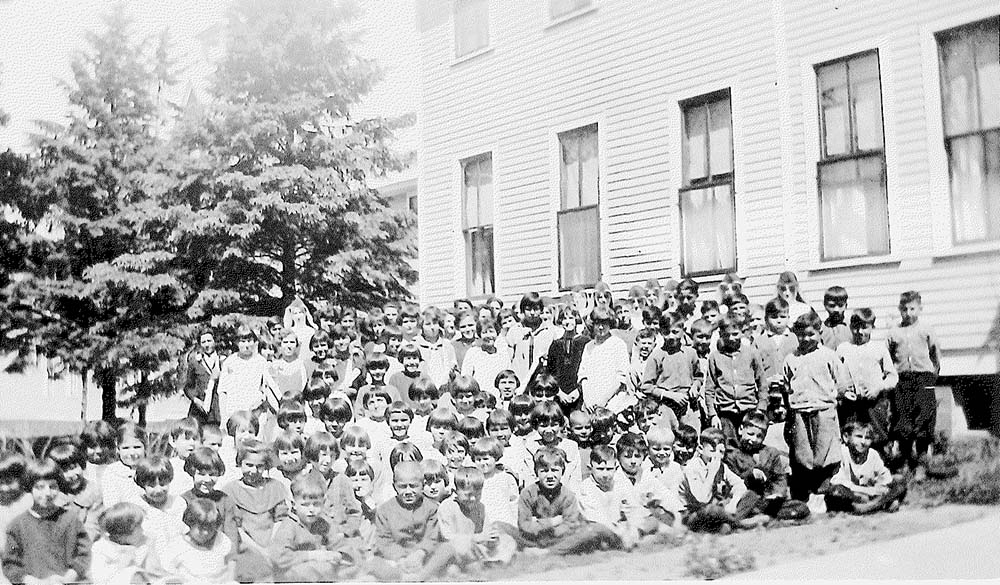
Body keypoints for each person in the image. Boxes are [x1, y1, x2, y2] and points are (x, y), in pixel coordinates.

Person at [782, 311, 851, 502]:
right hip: (799, 411)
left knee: (825, 449)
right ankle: (804, 488)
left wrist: (831, 398)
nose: (806, 338)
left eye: (810, 334)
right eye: (801, 334)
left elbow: (842, 383)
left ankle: (824, 485)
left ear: (820, 332)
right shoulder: (791, 358)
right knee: (803, 450)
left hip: (824, 409)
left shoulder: (828, 356)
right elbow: (787, 384)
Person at [2, 458, 90, 585]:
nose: (47, 493)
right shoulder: (17, 525)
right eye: (39, 487)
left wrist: (71, 575)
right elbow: (10, 564)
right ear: (29, 489)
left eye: (53, 486)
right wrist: (35, 582)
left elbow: (83, 553)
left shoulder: (70, 519)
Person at [368, 461, 455, 581]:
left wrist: (420, 554)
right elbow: (384, 540)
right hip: (397, 560)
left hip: (424, 557)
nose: (408, 492)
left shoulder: (431, 508)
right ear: (394, 487)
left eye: (413, 486)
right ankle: (403, 577)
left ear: (422, 485)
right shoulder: (384, 510)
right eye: (403, 486)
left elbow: (432, 536)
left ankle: (420, 577)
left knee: (447, 548)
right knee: (374, 563)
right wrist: (401, 559)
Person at [517, 447, 613, 555]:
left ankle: (548, 552)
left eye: (554, 470)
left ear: (562, 471)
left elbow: (570, 525)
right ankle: (549, 550)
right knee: (501, 527)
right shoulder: (527, 494)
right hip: (534, 539)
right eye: (544, 471)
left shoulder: (568, 496)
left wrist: (541, 526)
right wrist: (552, 522)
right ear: (536, 472)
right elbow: (524, 525)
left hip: (560, 539)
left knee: (593, 530)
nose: (550, 476)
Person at [887, 291, 941, 475]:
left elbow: (935, 353)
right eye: (904, 309)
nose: (908, 313)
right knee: (903, 418)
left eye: (912, 309)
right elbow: (888, 356)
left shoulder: (926, 329)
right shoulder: (894, 332)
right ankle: (904, 460)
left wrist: (933, 374)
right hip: (903, 380)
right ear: (899, 310)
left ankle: (921, 463)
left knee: (924, 417)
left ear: (920, 309)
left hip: (923, 378)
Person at [268, 475, 359, 582]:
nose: (311, 510)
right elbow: (279, 557)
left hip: (322, 569)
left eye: (316, 504)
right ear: (294, 504)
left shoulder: (323, 523)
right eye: (305, 505)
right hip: (295, 573)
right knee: (311, 570)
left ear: (324, 502)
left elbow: (340, 543)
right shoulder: (289, 527)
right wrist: (311, 555)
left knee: (354, 569)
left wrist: (337, 554)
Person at [222, 439, 288, 582]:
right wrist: (261, 551)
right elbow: (236, 528)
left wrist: (271, 546)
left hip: (274, 543)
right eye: (249, 465)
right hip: (246, 547)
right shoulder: (231, 491)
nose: (253, 471)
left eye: (259, 466)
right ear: (240, 463)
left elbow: (280, 520)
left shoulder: (275, 487)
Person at [723, 411, 807, 522]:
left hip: (766, 501)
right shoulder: (731, 455)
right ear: (741, 429)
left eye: (759, 436)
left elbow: (779, 478)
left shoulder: (771, 453)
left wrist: (777, 494)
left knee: (801, 507)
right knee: (750, 497)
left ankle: (759, 518)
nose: (753, 439)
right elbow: (732, 482)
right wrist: (750, 475)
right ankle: (743, 520)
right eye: (750, 434)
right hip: (744, 499)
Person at [836, 308, 898, 456]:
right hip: (851, 404)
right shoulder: (843, 349)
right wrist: (843, 391)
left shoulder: (879, 348)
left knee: (877, 436)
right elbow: (835, 376)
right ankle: (853, 470)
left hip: (874, 403)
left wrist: (878, 388)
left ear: (872, 327)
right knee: (851, 435)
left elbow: (892, 376)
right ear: (850, 327)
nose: (860, 332)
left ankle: (879, 470)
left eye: (864, 327)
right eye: (856, 327)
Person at [436, 466, 517, 570]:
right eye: (468, 495)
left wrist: (492, 540)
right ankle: (485, 565)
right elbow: (448, 537)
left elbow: (486, 532)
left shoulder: (480, 507)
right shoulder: (447, 507)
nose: (473, 499)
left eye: (477, 494)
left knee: (508, 540)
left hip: (477, 548)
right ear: (455, 492)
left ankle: (492, 563)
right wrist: (477, 538)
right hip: (457, 550)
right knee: (461, 551)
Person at [704, 315, 767, 442]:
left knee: (749, 442)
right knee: (729, 445)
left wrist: (761, 407)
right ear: (721, 334)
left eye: (735, 334)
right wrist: (713, 414)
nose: (731, 338)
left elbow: (762, 383)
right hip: (725, 412)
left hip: (749, 410)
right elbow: (710, 388)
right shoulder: (715, 357)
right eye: (726, 335)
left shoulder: (751, 353)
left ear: (742, 332)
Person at [679, 428, 754, 533]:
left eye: (721, 452)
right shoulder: (691, 468)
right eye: (713, 451)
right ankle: (738, 523)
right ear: (700, 449)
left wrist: (733, 502)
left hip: (717, 507)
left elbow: (740, 485)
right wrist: (711, 473)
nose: (717, 455)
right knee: (712, 510)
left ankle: (724, 524)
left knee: (751, 495)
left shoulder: (721, 466)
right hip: (693, 512)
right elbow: (702, 499)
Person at [825, 421, 908, 514]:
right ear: (846, 437)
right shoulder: (841, 452)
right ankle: (879, 504)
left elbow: (885, 476)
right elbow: (837, 481)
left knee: (899, 480)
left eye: (867, 438)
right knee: (837, 491)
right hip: (853, 493)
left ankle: (870, 506)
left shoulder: (872, 454)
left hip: (870, 494)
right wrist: (867, 491)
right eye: (859, 437)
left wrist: (880, 487)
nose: (863, 442)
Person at [641, 312, 702, 427]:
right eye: (666, 332)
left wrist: (695, 386)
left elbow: (698, 376)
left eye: (675, 332)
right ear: (660, 332)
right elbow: (646, 386)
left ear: (683, 330)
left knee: (689, 438)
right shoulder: (656, 356)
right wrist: (670, 395)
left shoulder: (691, 353)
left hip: (687, 406)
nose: (671, 337)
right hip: (665, 406)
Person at [577, 446, 642, 550]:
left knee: (649, 523)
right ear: (590, 467)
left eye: (609, 469)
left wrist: (632, 528)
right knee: (597, 532)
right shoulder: (586, 487)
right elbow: (596, 518)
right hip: (598, 528)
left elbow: (633, 507)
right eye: (600, 469)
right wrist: (620, 533)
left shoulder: (621, 482)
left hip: (619, 525)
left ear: (616, 468)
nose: (605, 474)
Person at [161, 498, 236, 583]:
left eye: (210, 528)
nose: (206, 532)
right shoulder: (178, 546)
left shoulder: (221, 541)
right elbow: (167, 573)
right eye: (201, 528)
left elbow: (231, 562)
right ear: (190, 523)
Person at [218, 326, 279, 430]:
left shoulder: (261, 362)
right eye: (242, 341)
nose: (246, 345)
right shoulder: (230, 362)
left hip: (256, 413)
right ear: (236, 342)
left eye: (249, 341)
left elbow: (269, 387)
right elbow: (223, 391)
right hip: (234, 413)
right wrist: (223, 418)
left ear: (255, 342)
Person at [577, 307, 631, 411]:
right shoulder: (589, 346)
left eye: (604, 323)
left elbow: (621, 378)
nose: (601, 327)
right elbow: (583, 375)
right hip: (591, 403)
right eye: (597, 323)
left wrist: (604, 399)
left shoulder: (618, 344)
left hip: (612, 402)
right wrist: (587, 399)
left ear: (610, 324)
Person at [46, 442, 102, 543]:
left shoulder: (93, 491)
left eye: (73, 468)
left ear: (82, 465)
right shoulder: (55, 495)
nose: (71, 475)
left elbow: (93, 527)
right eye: (64, 471)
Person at [89, 502, 155, 584]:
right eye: (138, 527)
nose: (142, 531)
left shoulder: (139, 546)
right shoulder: (102, 551)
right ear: (123, 533)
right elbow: (101, 579)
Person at [508, 292, 558, 391]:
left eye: (536, 309)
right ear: (522, 310)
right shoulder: (514, 331)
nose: (532, 313)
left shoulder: (549, 331)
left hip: (541, 385)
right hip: (520, 384)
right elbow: (509, 360)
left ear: (541, 310)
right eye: (528, 309)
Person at [0, 454, 32, 585]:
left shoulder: (31, 500)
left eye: (9, 482)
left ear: (21, 479)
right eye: (0, 483)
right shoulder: (1, 508)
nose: (4, 488)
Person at [461, 318, 511, 402]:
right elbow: (466, 378)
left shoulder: (503, 355)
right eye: (484, 332)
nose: (488, 335)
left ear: (497, 333)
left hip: (498, 400)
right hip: (479, 400)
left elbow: (508, 379)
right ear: (480, 335)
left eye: (491, 331)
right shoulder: (473, 352)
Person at [182, 327, 223, 426]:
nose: (207, 345)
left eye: (209, 341)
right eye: (203, 342)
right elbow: (188, 386)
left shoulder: (223, 361)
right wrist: (195, 400)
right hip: (199, 412)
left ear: (214, 341)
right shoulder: (195, 362)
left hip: (218, 411)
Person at [101, 422, 147, 507]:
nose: (132, 453)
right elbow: (111, 506)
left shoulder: (150, 467)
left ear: (145, 447)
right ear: (118, 449)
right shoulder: (112, 473)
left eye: (137, 447)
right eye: (125, 448)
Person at [416, 306, 459, 388]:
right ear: (421, 326)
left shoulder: (447, 345)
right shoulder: (417, 346)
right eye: (428, 324)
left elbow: (454, 368)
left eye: (435, 323)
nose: (432, 327)